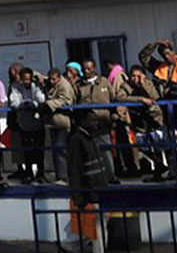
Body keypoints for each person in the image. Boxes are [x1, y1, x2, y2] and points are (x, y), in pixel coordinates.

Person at [139, 40, 177, 181]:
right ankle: (173, 172)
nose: (166, 57)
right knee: (169, 142)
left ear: (174, 53)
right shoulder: (159, 68)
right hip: (165, 111)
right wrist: (155, 43)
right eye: (163, 55)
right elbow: (143, 57)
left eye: (168, 53)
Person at [120, 65, 167, 182]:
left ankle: (159, 172)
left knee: (157, 146)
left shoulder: (149, 83)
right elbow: (120, 97)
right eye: (133, 76)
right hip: (139, 121)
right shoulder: (126, 86)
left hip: (154, 119)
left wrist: (143, 83)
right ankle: (159, 164)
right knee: (142, 146)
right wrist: (140, 99)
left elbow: (155, 96)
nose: (135, 79)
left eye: (138, 76)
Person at [77, 59, 121, 183]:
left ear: (94, 68)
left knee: (106, 151)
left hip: (103, 121)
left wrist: (114, 116)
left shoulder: (104, 82)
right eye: (84, 69)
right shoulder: (79, 85)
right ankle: (93, 177)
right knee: (89, 152)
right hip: (87, 124)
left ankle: (110, 176)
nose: (86, 71)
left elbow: (113, 100)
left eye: (89, 68)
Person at [67, 110, 108, 245]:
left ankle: (71, 246)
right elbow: (75, 169)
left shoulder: (91, 138)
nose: (95, 124)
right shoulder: (78, 140)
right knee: (97, 228)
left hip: (98, 190)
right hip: (90, 191)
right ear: (82, 122)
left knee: (98, 225)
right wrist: (78, 196)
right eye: (92, 120)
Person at [9, 68, 47, 184]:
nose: (27, 81)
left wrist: (33, 104)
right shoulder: (15, 87)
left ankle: (40, 173)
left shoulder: (37, 86)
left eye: (29, 79)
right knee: (27, 151)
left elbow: (41, 99)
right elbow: (14, 102)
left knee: (39, 150)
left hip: (37, 123)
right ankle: (28, 173)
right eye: (25, 79)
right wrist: (23, 104)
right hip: (23, 123)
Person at [42, 68, 75, 184]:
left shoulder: (64, 86)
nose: (52, 82)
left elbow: (66, 100)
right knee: (55, 150)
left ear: (59, 77)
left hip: (62, 122)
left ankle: (63, 176)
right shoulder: (50, 84)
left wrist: (49, 104)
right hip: (53, 123)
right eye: (50, 79)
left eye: (54, 79)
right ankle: (59, 175)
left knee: (60, 148)